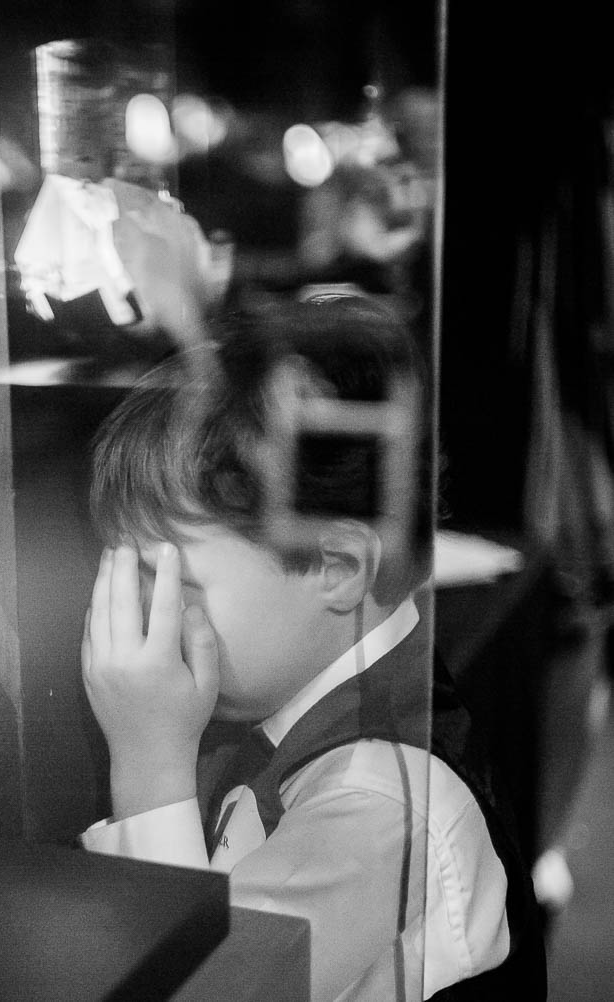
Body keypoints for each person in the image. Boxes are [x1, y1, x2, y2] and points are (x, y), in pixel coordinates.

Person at [77, 295, 545, 1001]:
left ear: (338, 569)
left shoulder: (377, 804)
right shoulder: (305, 717)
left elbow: (198, 991)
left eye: (171, 581)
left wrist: (150, 763)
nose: (143, 619)